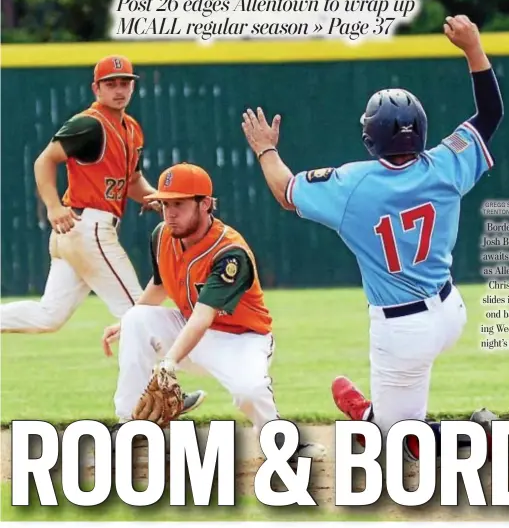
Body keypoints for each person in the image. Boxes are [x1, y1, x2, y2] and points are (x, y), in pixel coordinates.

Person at [241, 15, 509, 473]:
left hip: (402, 331)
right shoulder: (447, 165)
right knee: (394, 422)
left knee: (398, 441)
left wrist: (264, 149)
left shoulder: (352, 184)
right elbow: (490, 114)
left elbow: (286, 191)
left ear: (370, 136)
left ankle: (481, 434)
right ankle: (366, 410)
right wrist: (473, 48)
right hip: (450, 311)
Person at [102, 162, 326, 458]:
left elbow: (203, 317)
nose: (169, 213)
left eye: (178, 204)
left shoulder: (230, 253)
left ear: (205, 204)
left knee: (249, 392)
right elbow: (161, 284)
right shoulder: (162, 236)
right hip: (188, 327)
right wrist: (129, 322)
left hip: (239, 339)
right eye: (164, 204)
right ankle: (130, 424)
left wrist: (170, 361)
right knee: (136, 319)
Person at [1, 55, 158, 334]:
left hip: (81, 234)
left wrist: (153, 196)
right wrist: (52, 206)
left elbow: (131, 181)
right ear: (96, 88)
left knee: (48, 316)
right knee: (140, 314)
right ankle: (162, 376)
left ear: (133, 87)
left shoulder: (132, 129)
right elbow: (44, 161)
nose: (119, 90)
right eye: (111, 84)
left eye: (125, 83)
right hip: (88, 227)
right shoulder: (89, 124)